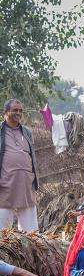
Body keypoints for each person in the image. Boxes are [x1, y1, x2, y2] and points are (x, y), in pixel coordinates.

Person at [0, 99, 39, 232]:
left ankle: (30, 252)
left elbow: (32, 157)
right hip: (5, 184)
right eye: (15, 110)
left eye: (20, 110)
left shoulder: (27, 132)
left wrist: (33, 178)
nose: (18, 113)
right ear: (5, 112)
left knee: (31, 232)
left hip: (26, 182)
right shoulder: (0, 131)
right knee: (2, 230)